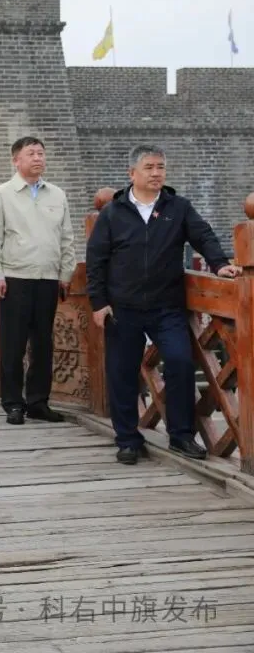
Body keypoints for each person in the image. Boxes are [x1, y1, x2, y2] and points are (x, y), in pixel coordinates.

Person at [86, 145, 241, 464]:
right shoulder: (112, 213)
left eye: (161, 167)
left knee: (181, 364)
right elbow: (96, 260)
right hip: (123, 307)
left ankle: (181, 435)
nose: (157, 173)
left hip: (166, 306)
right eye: (149, 168)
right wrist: (99, 303)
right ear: (132, 173)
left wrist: (219, 264)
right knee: (122, 373)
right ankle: (128, 439)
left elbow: (203, 236)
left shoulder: (178, 207)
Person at [0, 136, 76, 425]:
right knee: (13, 344)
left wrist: (66, 273)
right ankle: (13, 402)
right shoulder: (1, 195)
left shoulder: (57, 195)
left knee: (43, 343)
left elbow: (67, 237)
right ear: (16, 160)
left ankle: (38, 401)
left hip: (48, 278)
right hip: (15, 277)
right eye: (31, 153)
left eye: (40, 153)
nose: (38, 158)